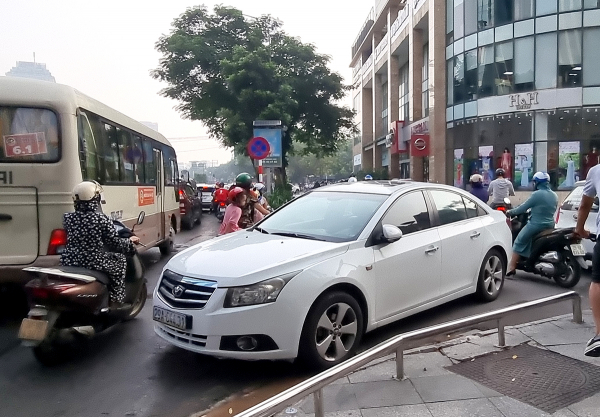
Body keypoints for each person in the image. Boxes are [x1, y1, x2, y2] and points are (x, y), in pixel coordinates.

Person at [60, 181, 139, 307]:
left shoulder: (67, 218)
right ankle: (116, 299)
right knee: (120, 262)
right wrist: (129, 242)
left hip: (70, 259)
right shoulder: (101, 219)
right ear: (95, 199)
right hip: (93, 260)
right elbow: (115, 244)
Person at [506, 172, 558, 276]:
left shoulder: (536, 194)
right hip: (550, 225)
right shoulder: (554, 195)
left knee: (519, 241)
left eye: (534, 182)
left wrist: (510, 212)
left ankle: (511, 267)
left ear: (537, 183)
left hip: (536, 224)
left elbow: (523, 207)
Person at [575, 163, 600, 356]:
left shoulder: (596, 171)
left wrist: (580, 229)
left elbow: (584, 204)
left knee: (598, 282)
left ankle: (599, 333)